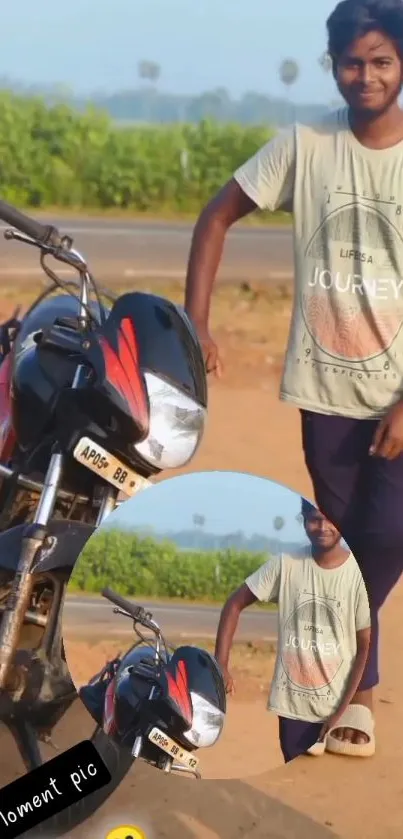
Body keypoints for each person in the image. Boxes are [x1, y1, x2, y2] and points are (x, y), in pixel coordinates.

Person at [184, 0, 403, 755]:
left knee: (387, 532)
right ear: (332, 66)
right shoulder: (305, 146)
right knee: (344, 538)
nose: (365, 75)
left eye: (380, 60)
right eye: (351, 61)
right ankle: (356, 701)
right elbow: (215, 215)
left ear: (401, 65)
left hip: (397, 391)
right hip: (324, 391)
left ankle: (345, 682)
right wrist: (197, 322)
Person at [214, 500, 372, 762]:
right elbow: (234, 603)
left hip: (336, 705)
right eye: (314, 519)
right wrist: (221, 663)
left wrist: (341, 711)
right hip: (293, 706)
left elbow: (364, 644)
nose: (322, 527)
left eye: (330, 519)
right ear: (303, 520)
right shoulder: (286, 565)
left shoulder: (358, 575)